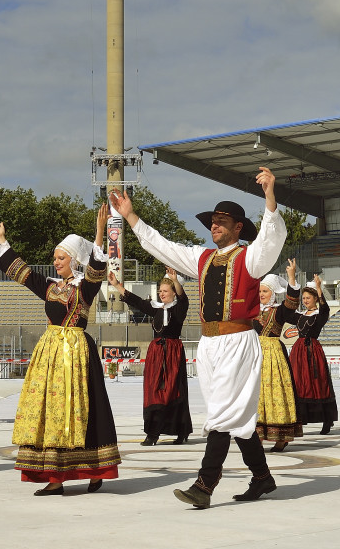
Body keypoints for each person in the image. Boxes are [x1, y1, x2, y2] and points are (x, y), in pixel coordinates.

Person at [110, 169, 286, 509]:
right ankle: (263, 478)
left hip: (238, 341)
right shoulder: (201, 258)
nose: (214, 225)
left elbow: (270, 238)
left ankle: (204, 485)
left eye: (222, 220)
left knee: (221, 414)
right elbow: (163, 247)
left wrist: (269, 197)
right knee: (236, 419)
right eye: (213, 220)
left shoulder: (250, 257)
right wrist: (131, 216)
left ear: (238, 227)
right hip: (209, 345)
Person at [0, 207, 120, 495]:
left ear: (74, 260)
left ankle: (92, 469)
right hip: (50, 354)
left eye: (61, 257)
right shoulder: (50, 288)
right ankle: (56, 476)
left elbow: (97, 270)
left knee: (83, 410)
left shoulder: (84, 288)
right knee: (51, 412)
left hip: (75, 354)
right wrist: (2, 243)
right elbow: (24, 274)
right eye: (55, 257)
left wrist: (98, 233)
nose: (56, 262)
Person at [112, 268, 192, 446]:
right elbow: (137, 301)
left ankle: (181, 431)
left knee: (173, 390)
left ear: (173, 292)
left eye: (165, 291)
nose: (161, 294)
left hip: (172, 353)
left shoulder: (179, 309)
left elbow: (184, 298)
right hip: (156, 353)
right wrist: (117, 285)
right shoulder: (155, 309)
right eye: (160, 291)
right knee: (153, 391)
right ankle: (152, 432)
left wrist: (175, 280)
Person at [279, 259, 339, 435]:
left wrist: (319, 289)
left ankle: (326, 420)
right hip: (298, 352)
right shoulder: (299, 316)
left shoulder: (319, 315)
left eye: (308, 298)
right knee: (298, 383)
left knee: (318, 383)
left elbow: (326, 308)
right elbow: (285, 313)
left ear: (314, 298)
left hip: (312, 351)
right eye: (303, 298)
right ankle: (300, 418)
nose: (305, 301)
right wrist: (292, 280)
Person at [254, 273, 301, 452]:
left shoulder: (279, 311)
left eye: (265, 291)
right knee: (256, 394)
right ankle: (256, 435)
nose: (261, 294)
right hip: (255, 355)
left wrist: (291, 279)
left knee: (275, 392)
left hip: (273, 355)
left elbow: (291, 303)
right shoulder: (253, 310)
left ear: (273, 292)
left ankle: (280, 437)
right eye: (260, 291)